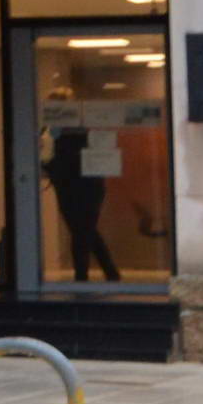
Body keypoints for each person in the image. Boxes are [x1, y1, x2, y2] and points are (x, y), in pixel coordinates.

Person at [44, 119, 119, 282]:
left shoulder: (66, 136)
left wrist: (49, 166)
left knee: (81, 232)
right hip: (85, 187)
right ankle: (109, 273)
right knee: (86, 231)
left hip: (76, 188)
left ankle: (82, 277)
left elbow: (67, 161)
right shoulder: (73, 134)